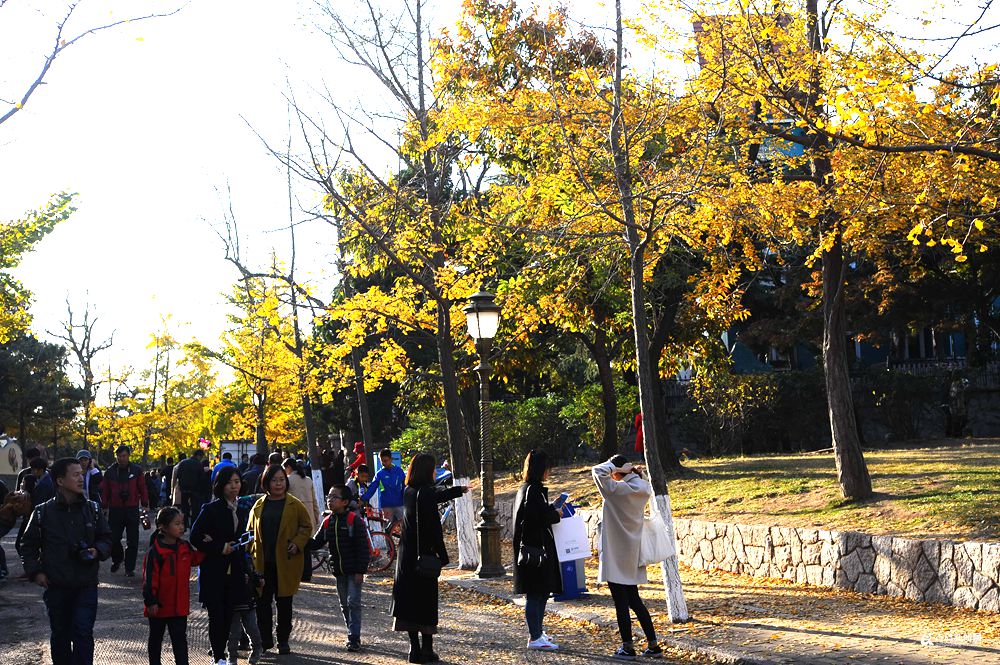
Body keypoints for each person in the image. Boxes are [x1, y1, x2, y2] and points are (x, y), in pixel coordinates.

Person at [20, 457, 113, 665]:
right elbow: (27, 546)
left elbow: (107, 538)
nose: (81, 479)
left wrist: (97, 550)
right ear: (60, 481)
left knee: (82, 633)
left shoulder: (93, 509)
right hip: (56, 585)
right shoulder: (43, 512)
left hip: (86, 584)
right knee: (60, 635)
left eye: (82, 474)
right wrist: (36, 572)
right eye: (76, 474)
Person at [390, 452, 469, 664]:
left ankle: (413, 650)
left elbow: (431, 497)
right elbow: (434, 528)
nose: (435, 472)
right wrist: (443, 556)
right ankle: (427, 650)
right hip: (423, 554)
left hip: (406, 554)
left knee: (408, 602)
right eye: (433, 468)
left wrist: (457, 491)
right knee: (424, 601)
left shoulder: (409, 491)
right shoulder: (424, 493)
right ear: (427, 471)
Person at [592, 455, 664, 660]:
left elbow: (597, 471)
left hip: (616, 554)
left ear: (618, 471)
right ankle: (653, 644)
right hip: (633, 553)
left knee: (621, 603)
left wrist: (615, 466)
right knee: (635, 601)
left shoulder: (617, 491)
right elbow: (643, 481)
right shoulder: (642, 488)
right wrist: (631, 471)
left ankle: (627, 647)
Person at [247, 464, 313, 655]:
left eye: (281, 480)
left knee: (284, 603)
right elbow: (250, 532)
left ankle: (283, 640)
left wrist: (297, 543)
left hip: (286, 563)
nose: (278, 484)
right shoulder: (258, 505)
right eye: (274, 480)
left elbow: (306, 527)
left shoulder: (294, 504)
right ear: (266, 482)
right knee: (262, 603)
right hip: (262, 563)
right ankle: (265, 639)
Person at [190, 466, 246, 665]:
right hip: (214, 570)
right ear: (220, 486)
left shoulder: (242, 508)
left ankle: (221, 652)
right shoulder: (211, 509)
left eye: (237, 482)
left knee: (229, 614)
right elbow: (195, 536)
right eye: (229, 483)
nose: (234, 486)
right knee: (216, 615)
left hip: (236, 570)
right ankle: (219, 656)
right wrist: (219, 546)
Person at [512, 449, 564, 650]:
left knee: (541, 592)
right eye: (547, 468)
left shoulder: (528, 489)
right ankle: (534, 637)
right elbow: (536, 519)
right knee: (535, 593)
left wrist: (550, 507)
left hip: (536, 548)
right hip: (535, 551)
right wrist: (555, 514)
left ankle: (538, 631)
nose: (548, 472)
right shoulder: (532, 490)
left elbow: (534, 513)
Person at [309, 485, 370, 652]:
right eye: (329, 496)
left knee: (354, 603)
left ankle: (354, 638)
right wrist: (299, 540)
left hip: (353, 571)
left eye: (334, 497)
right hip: (339, 572)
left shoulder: (353, 520)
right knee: (344, 604)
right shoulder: (328, 521)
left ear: (344, 502)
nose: (330, 500)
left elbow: (363, 547)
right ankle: (352, 631)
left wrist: (360, 571)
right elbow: (316, 542)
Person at [143, 506, 205, 665]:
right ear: (163, 527)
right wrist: (151, 601)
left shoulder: (184, 546)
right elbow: (149, 579)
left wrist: (208, 547)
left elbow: (195, 559)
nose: (181, 527)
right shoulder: (155, 552)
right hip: (159, 606)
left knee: (180, 641)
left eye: (182, 523)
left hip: (179, 607)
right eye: (177, 524)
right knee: (156, 639)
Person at [103, 444, 150, 576]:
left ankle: (130, 568)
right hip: (115, 509)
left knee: (133, 540)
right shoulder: (110, 472)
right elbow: (105, 490)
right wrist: (104, 506)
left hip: (132, 508)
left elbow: (142, 487)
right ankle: (117, 559)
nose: (121, 459)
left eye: (124, 456)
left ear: (128, 456)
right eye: (119, 456)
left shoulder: (136, 470)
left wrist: (145, 504)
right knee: (114, 538)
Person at [361, 448, 405, 523]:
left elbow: (405, 486)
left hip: (400, 504)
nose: (384, 463)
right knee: (388, 527)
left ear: (391, 459)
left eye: (385, 461)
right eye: (381, 461)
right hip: (386, 505)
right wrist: (363, 499)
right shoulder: (379, 474)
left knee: (404, 526)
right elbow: (372, 488)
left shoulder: (399, 471)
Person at [282, 458, 319, 531]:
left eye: (284, 469)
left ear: (289, 467)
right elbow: (314, 500)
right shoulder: (308, 479)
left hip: (294, 513)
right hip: (309, 512)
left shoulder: (287, 480)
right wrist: (316, 515)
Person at [173, 449, 206, 527]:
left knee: (184, 507)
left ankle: (184, 524)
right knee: (195, 508)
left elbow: (178, 475)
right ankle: (193, 524)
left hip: (184, 489)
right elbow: (202, 478)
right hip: (195, 489)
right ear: (199, 456)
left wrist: (181, 485)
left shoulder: (182, 463)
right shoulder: (198, 464)